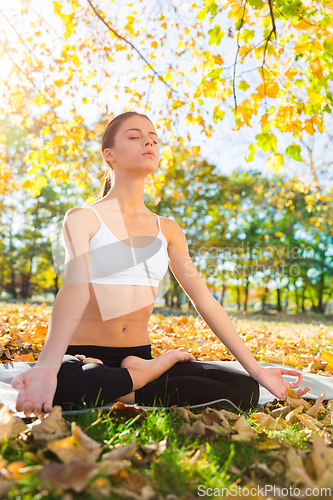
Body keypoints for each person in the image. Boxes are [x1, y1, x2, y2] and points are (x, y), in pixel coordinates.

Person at [11, 111, 311, 418]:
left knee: (244, 390)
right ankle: (146, 375)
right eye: (134, 136)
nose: (149, 142)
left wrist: (259, 371)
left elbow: (205, 300)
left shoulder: (167, 229)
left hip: (137, 354)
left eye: (153, 138)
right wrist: (47, 368)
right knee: (62, 384)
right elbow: (74, 289)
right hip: (83, 357)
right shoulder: (82, 218)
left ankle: (127, 380)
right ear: (109, 154)